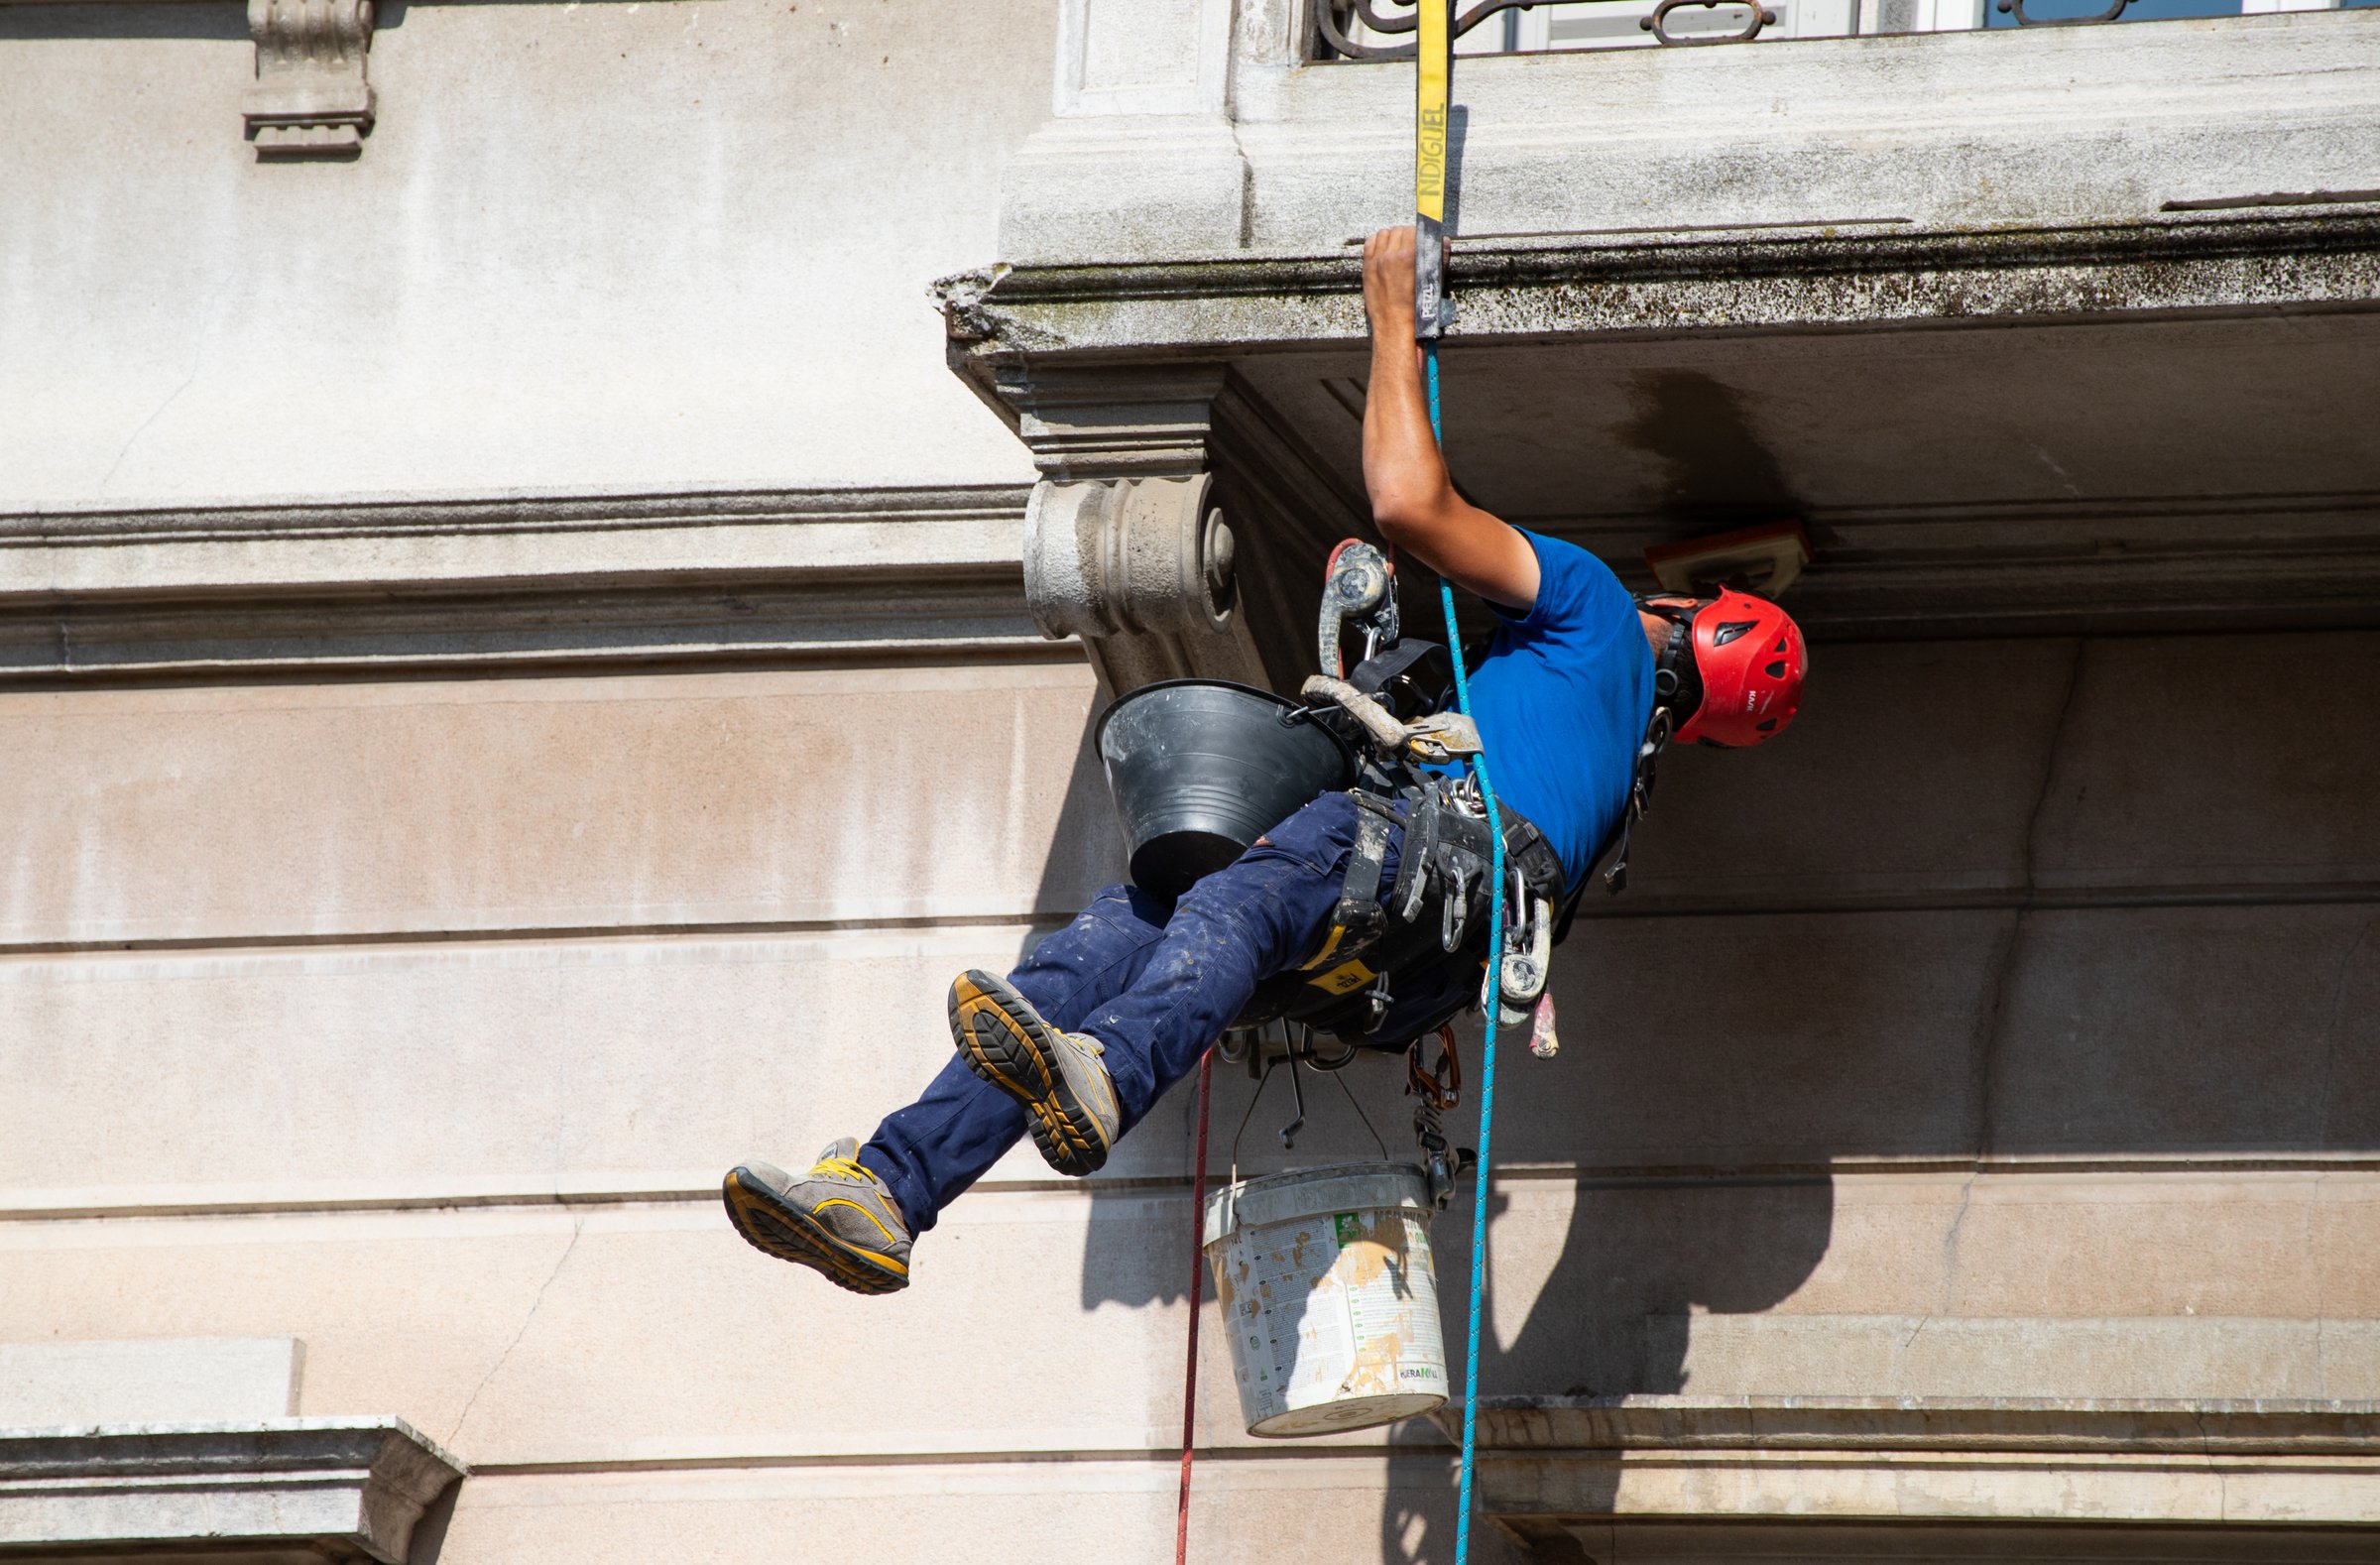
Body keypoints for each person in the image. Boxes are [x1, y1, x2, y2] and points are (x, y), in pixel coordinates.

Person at [720, 226, 1809, 1294]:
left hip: (1417, 871)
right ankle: (885, 1193)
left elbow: (1409, 505)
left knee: (1229, 900)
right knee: (1119, 938)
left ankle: (1106, 1075)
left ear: (1689, 615)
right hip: (1399, 968)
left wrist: (1391, 317)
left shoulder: (1599, 611)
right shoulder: (1610, 764)